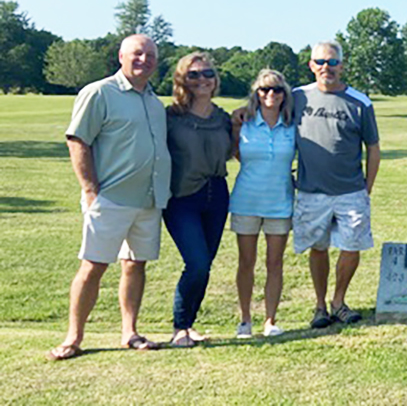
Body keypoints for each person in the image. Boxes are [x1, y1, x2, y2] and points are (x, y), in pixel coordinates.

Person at [47, 35, 170, 360]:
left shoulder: (154, 101)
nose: (144, 59)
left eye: (151, 55)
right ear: (121, 56)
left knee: (135, 264)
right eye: (137, 53)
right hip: (110, 198)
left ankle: (129, 332)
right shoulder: (99, 92)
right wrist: (89, 189)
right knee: (93, 266)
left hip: (147, 199)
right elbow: (77, 140)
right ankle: (73, 337)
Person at [293, 41, 380, 328]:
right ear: (311, 65)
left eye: (332, 62)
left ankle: (339, 301)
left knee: (351, 247)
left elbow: (373, 147)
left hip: (351, 191)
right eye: (320, 62)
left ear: (342, 66)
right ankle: (319, 306)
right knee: (318, 248)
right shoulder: (297, 98)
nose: (325, 67)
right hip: (311, 190)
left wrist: (366, 187)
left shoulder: (360, 102)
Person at [162, 52, 234, 347]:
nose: (202, 79)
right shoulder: (170, 117)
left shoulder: (224, 118)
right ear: (182, 79)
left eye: (207, 73)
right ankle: (179, 327)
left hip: (216, 194)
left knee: (206, 263)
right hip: (181, 197)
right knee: (197, 263)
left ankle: (189, 325)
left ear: (215, 79)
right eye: (194, 74)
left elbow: (233, 151)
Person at [230, 69, 296, 338]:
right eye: (264, 90)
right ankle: (245, 320)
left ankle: (270, 320)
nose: (271, 95)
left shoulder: (293, 124)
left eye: (277, 90)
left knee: (275, 263)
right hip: (246, 200)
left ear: (285, 94)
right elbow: (234, 151)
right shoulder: (243, 121)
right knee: (246, 262)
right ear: (256, 93)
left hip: (280, 202)